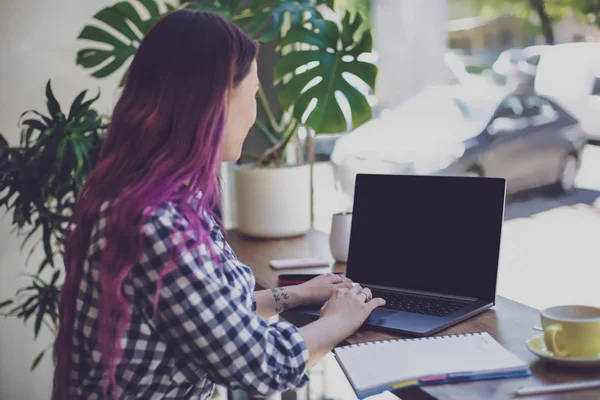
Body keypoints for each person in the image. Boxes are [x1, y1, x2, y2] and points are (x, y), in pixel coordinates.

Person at [51, 9, 385, 400]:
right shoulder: (157, 221)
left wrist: (296, 294)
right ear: (216, 101)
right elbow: (263, 365)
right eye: (253, 93)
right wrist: (338, 320)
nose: (254, 110)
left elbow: (208, 312)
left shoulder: (154, 198)